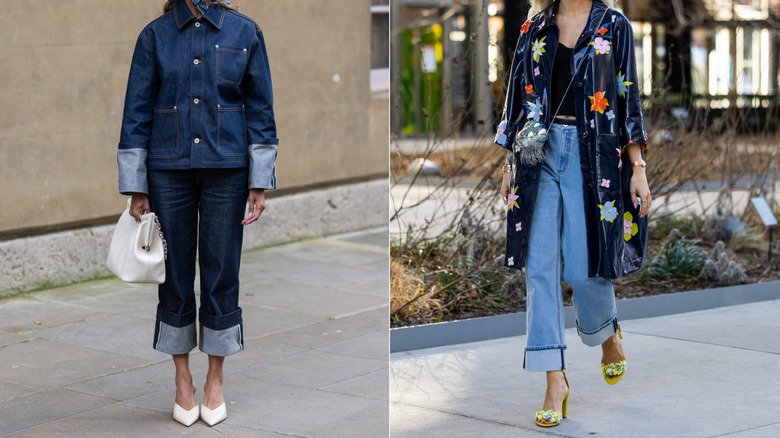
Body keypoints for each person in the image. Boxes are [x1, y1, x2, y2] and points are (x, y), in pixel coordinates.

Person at [117, 0, 278, 427]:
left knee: (222, 272)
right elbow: (135, 114)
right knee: (174, 276)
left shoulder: (245, 32)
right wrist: (136, 186)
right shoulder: (154, 36)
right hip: (167, 172)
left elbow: (261, 111)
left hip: (229, 172)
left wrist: (259, 180)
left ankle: (216, 381)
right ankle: (182, 379)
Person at [496, 0, 650, 428]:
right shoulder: (535, 26)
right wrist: (510, 164)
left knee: (583, 268)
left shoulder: (613, 26)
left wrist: (637, 169)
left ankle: (605, 333)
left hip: (593, 157)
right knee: (539, 267)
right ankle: (554, 379)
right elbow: (516, 97)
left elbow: (627, 94)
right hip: (537, 155)